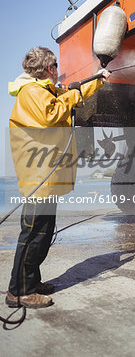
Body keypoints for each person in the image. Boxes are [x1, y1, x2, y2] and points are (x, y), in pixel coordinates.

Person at [6, 46, 110, 309]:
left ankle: (31, 280)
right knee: (33, 235)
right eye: (55, 66)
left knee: (43, 232)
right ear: (48, 68)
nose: (57, 70)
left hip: (46, 176)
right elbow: (51, 114)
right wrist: (72, 94)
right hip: (38, 178)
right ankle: (19, 291)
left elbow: (71, 95)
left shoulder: (44, 91)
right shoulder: (31, 92)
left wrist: (98, 79)